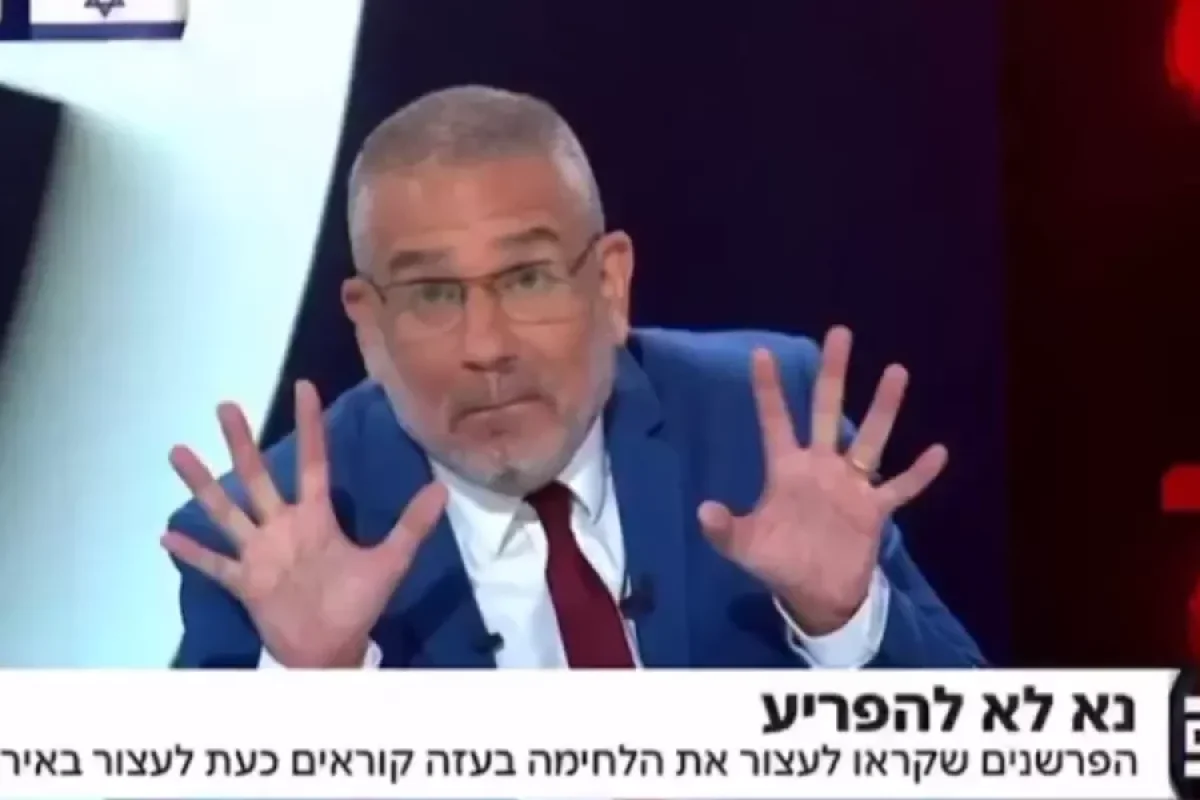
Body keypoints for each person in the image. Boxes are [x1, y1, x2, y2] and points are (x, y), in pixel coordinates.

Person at [164, 85, 983, 670]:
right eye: (434, 294)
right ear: (369, 325)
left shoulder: (761, 428)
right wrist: (315, 698)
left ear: (610, 284)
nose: (487, 346)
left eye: (527, 279)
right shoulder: (263, 542)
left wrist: (842, 623)